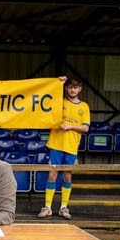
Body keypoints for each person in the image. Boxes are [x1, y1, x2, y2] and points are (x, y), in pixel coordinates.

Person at [37, 77, 90, 219]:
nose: (72, 90)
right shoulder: (59, 102)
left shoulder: (84, 107)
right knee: (52, 174)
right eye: (70, 87)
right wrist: (58, 83)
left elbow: (85, 127)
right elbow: (48, 97)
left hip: (71, 146)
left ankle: (63, 208)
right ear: (66, 88)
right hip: (56, 144)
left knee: (67, 176)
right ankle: (47, 207)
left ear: (80, 89)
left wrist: (71, 126)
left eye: (75, 87)